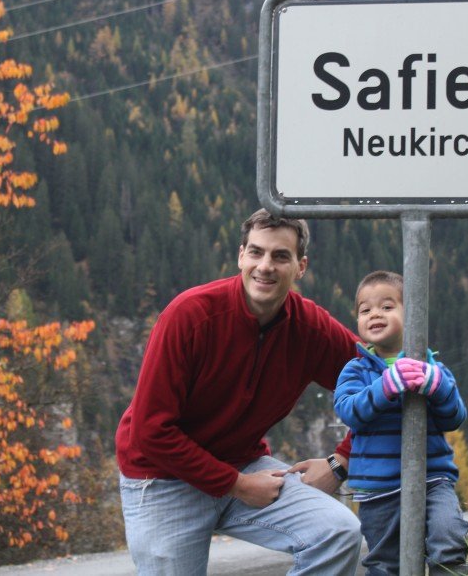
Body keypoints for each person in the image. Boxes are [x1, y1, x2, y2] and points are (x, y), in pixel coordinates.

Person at [115, 209, 363, 575]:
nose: (266, 266)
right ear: (240, 255)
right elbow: (150, 431)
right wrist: (238, 485)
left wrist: (341, 462)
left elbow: (384, 388)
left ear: (301, 266)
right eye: (257, 252)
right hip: (163, 477)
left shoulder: (311, 329)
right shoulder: (190, 316)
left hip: (243, 462)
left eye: (281, 256)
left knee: (338, 532)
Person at [334, 270, 468, 576]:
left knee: (449, 541)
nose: (375, 314)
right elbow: (348, 411)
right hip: (379, 489)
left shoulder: (433, 367)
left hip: (433, 480)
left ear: (412, 313)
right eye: (365, 310)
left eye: (387, 306)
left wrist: (438, 386)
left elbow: (455, 417)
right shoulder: (355, 370)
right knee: (385, 564)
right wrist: (385, 387)